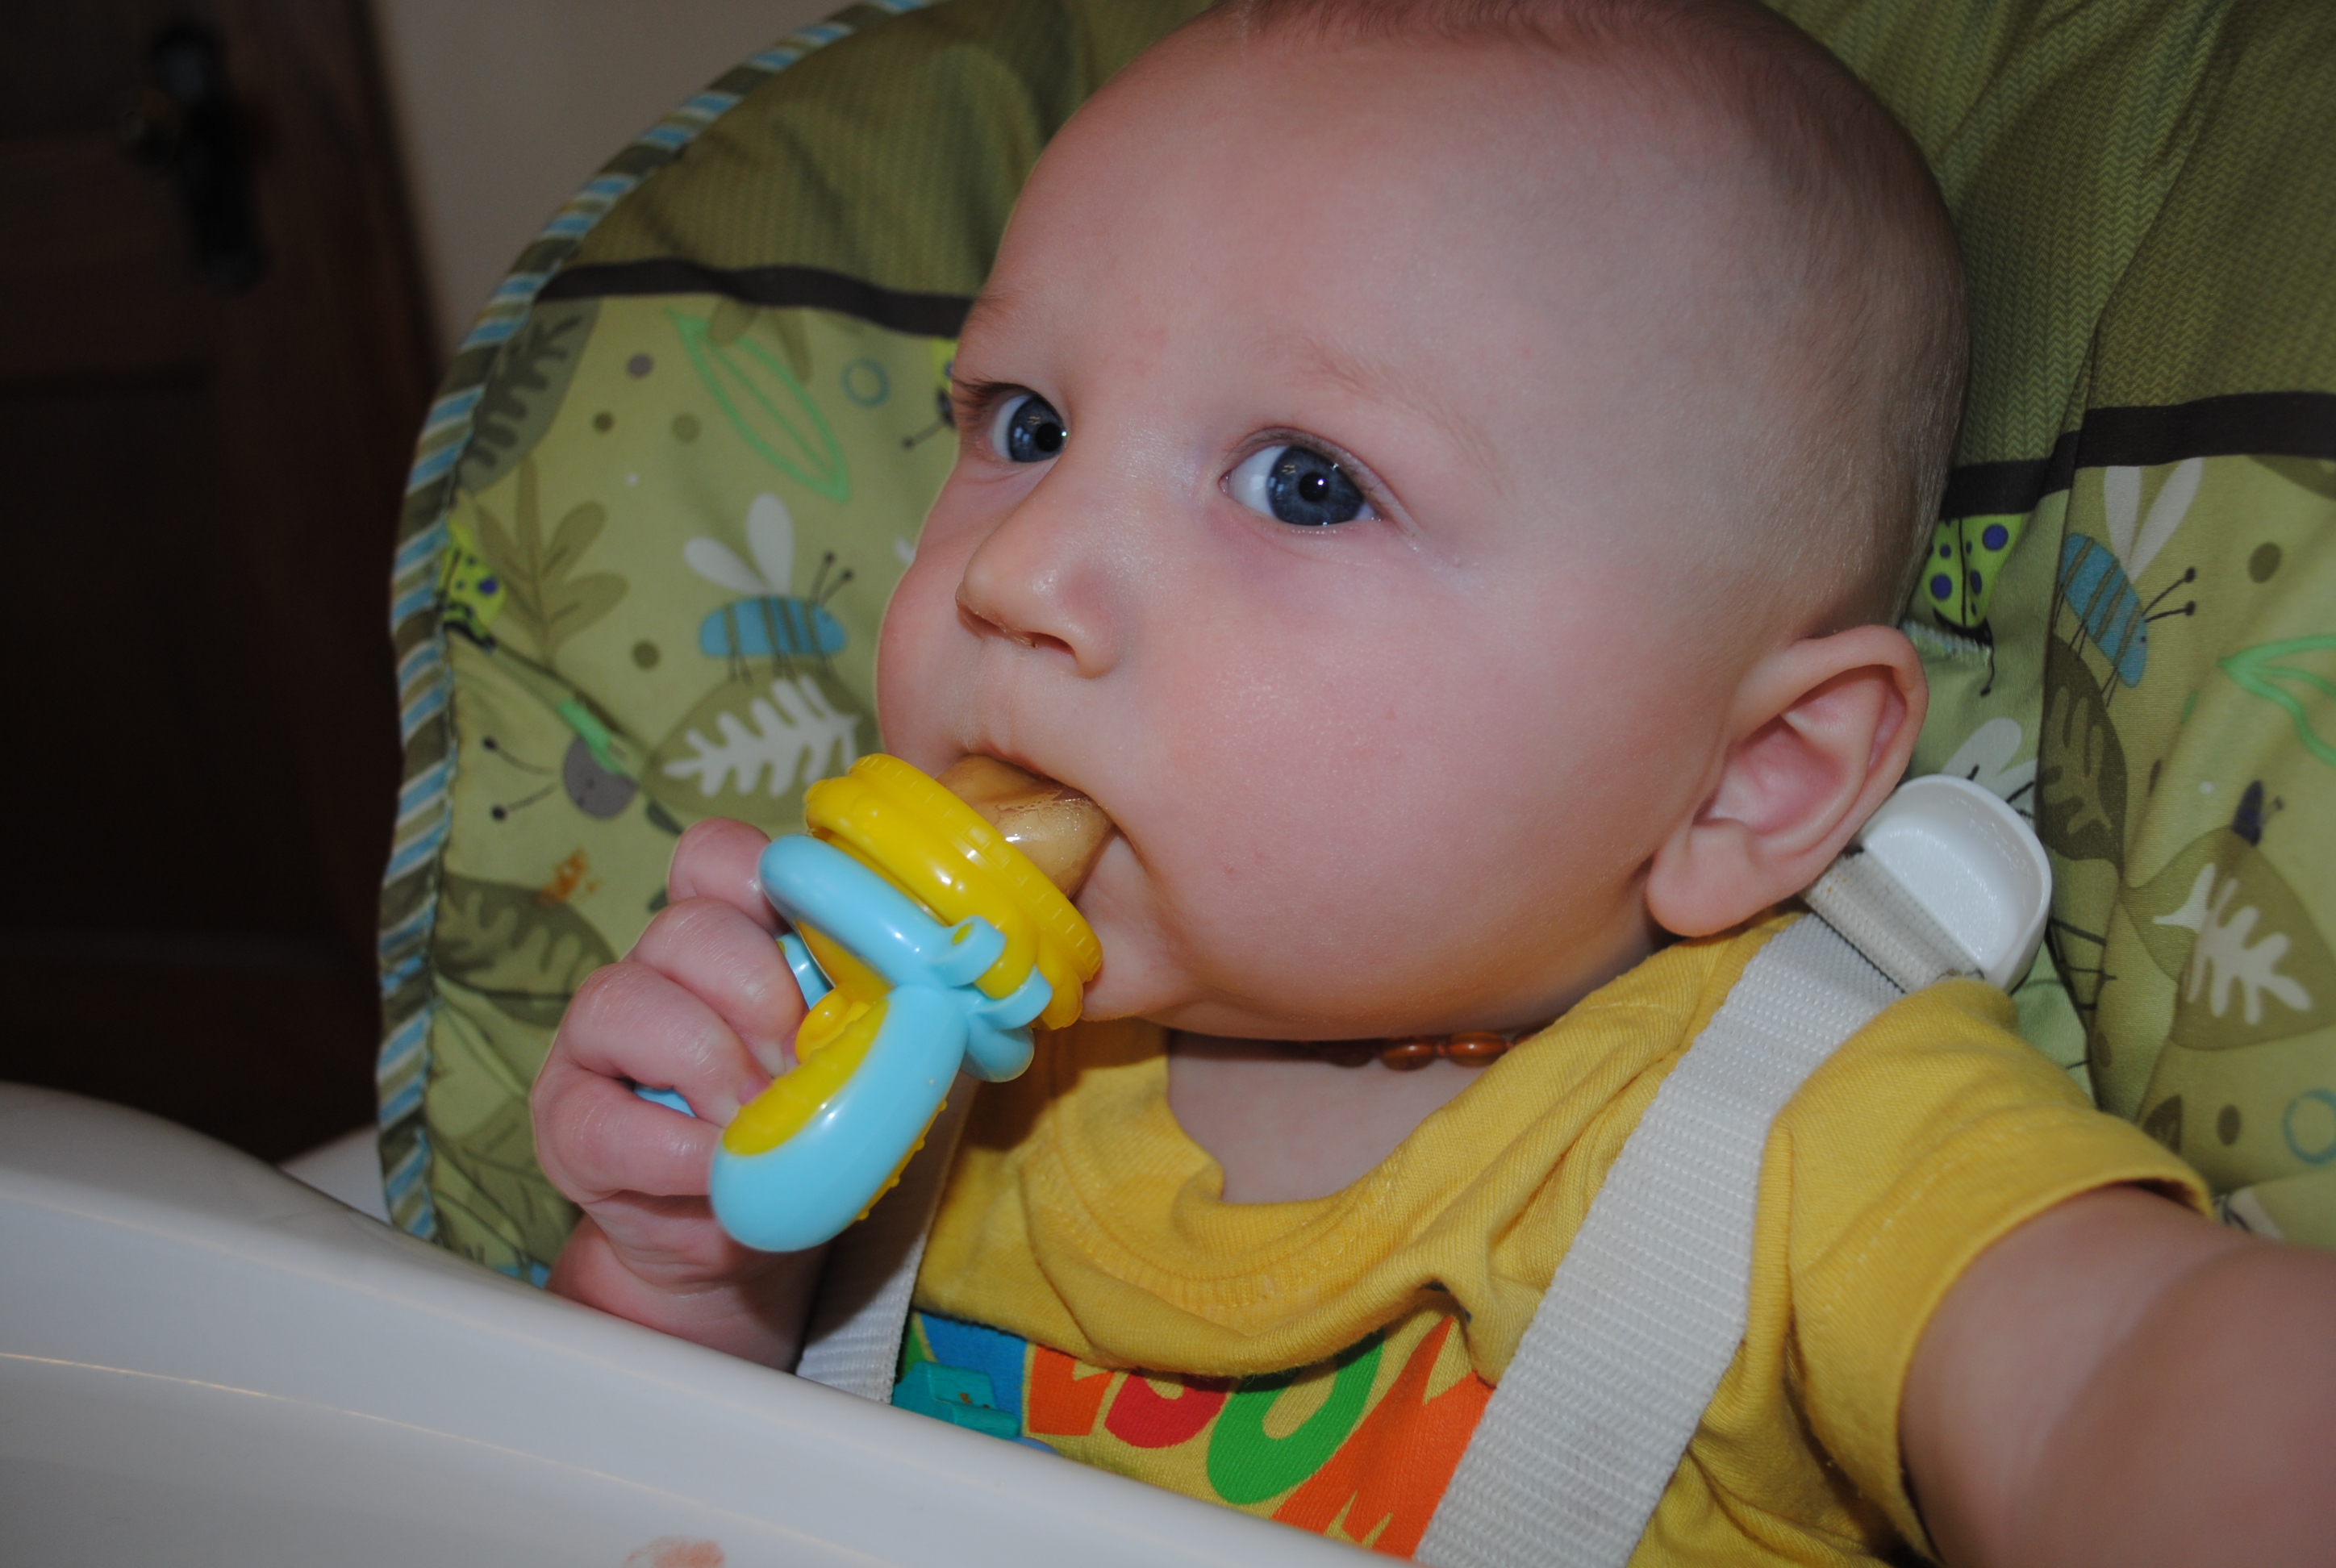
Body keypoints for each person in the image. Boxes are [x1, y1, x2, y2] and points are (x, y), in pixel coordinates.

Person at [530, 1, 2336, 1561]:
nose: (1018, 572)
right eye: (1026, 425)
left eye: (1306, 485)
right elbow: (595, 1492)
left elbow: (2128, 1386)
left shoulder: (1817, 1145)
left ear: (1746, 782)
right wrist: (690, 1276)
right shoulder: (870, 1064)